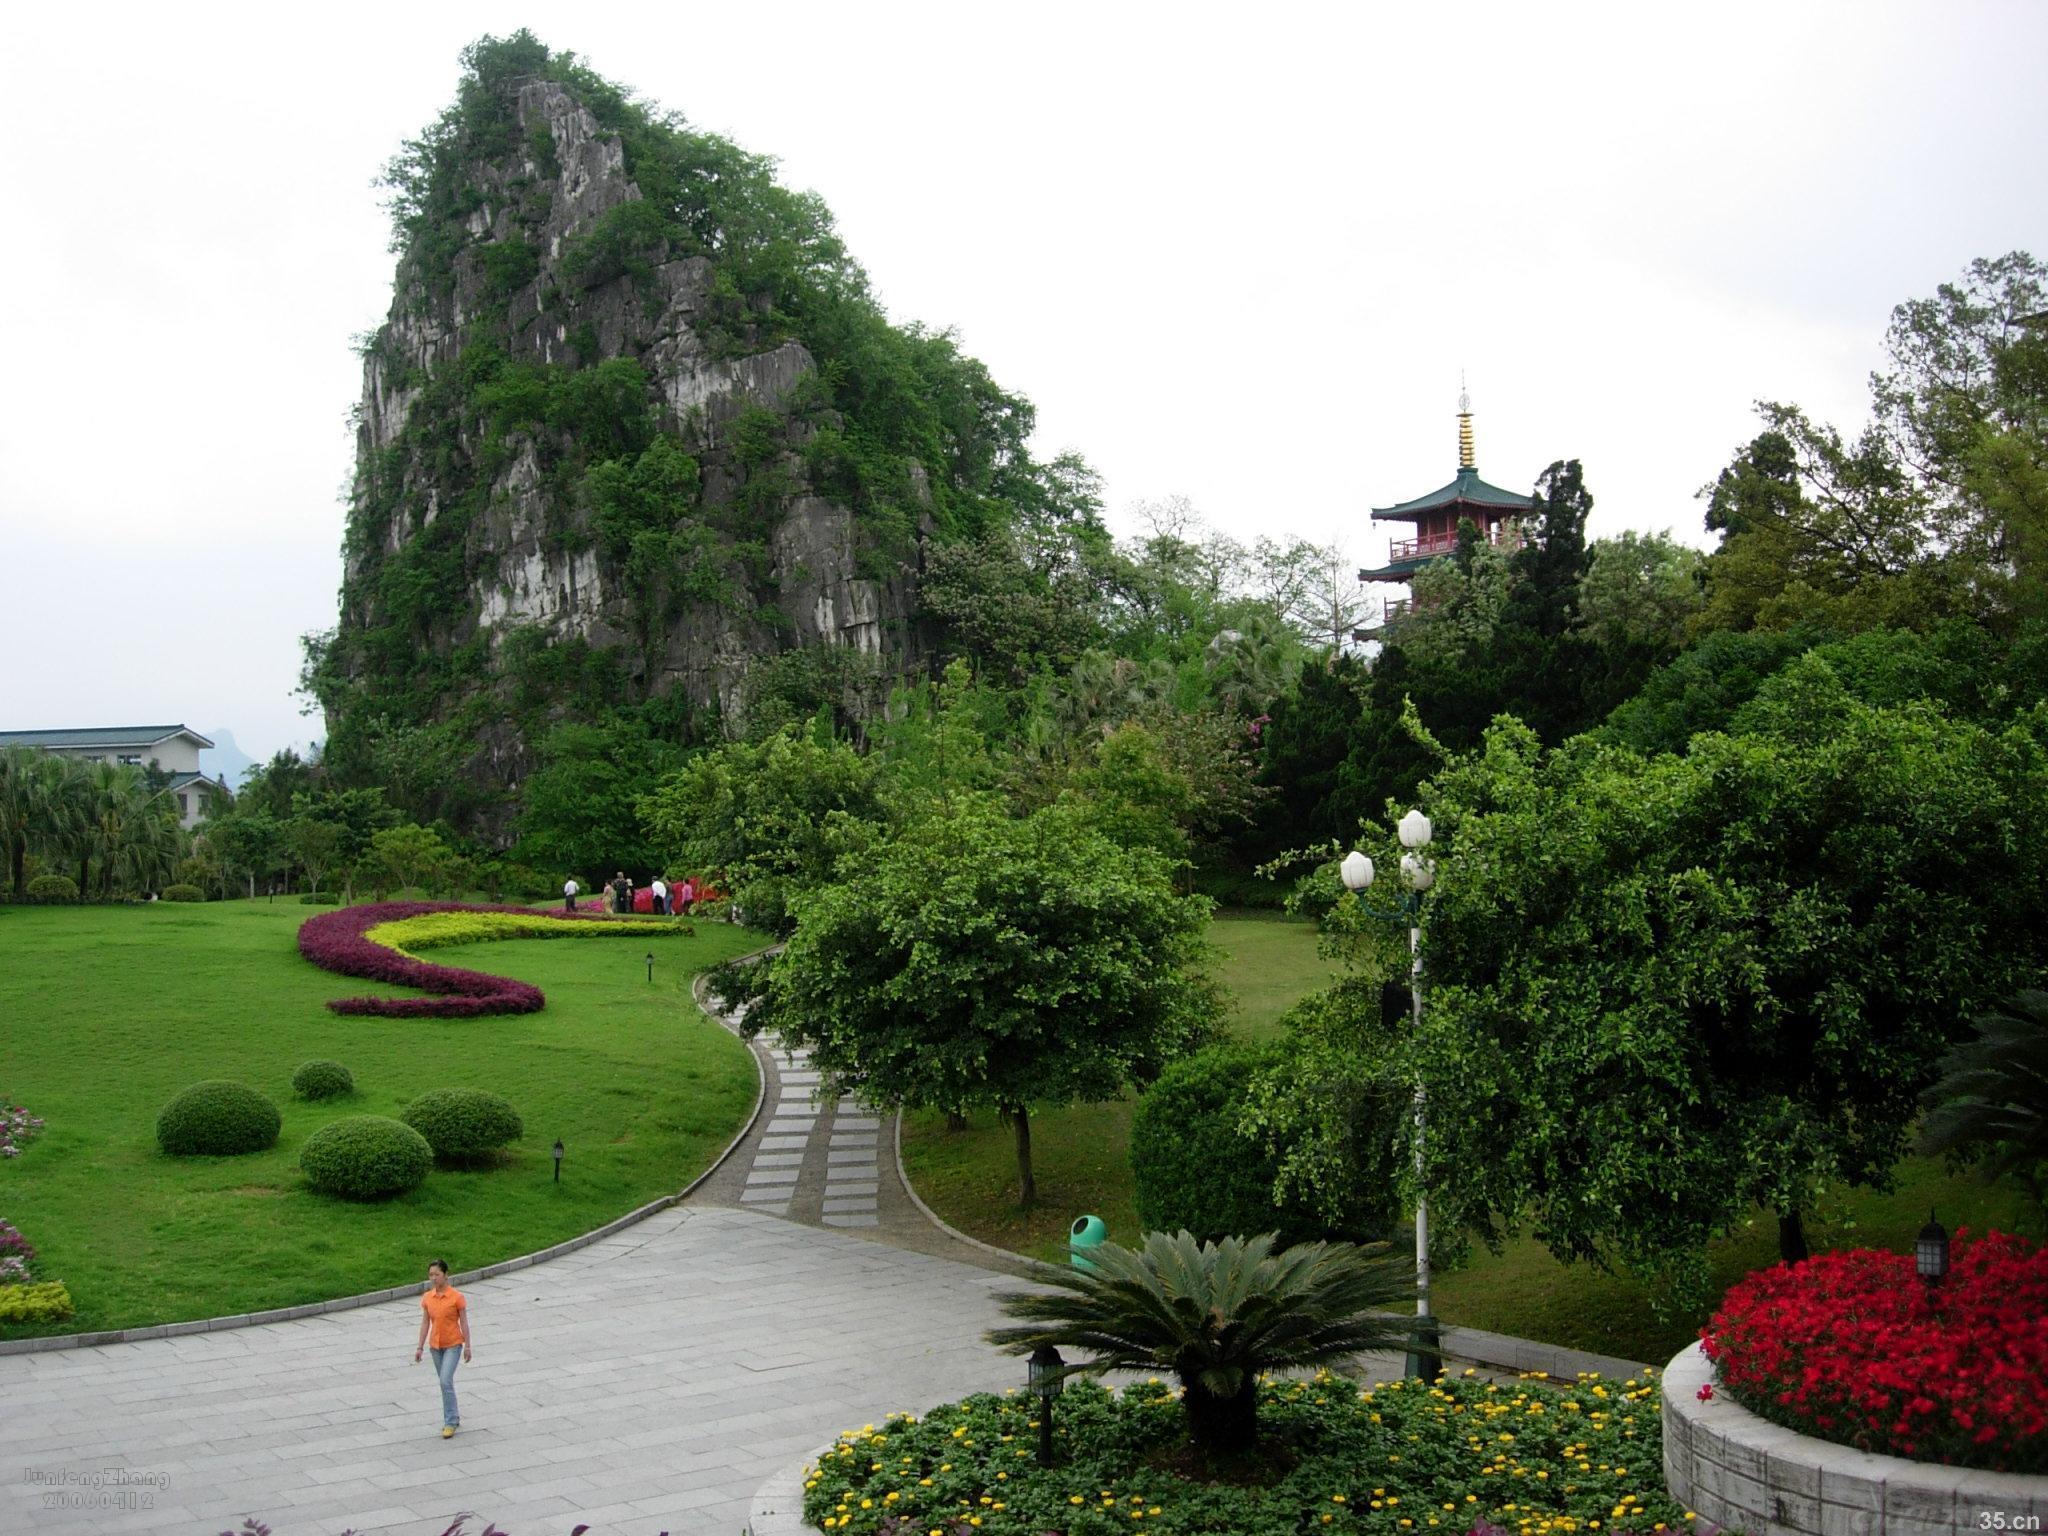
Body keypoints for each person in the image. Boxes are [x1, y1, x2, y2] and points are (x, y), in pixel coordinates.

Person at [412, 1259, 472, 1437]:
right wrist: (420, 1347)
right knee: (445, 1384)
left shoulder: (456, 1297)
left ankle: (450, 1422)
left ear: (446, 1275)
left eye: (437, 1274)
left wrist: (468, 1346)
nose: (433, 1278)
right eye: (431, 1275)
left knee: (445, 1380)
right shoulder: (428, 1298)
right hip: (435, 1347)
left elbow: (464, 1322)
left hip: (453, 1344)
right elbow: (425, 1323)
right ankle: (454, 1415)